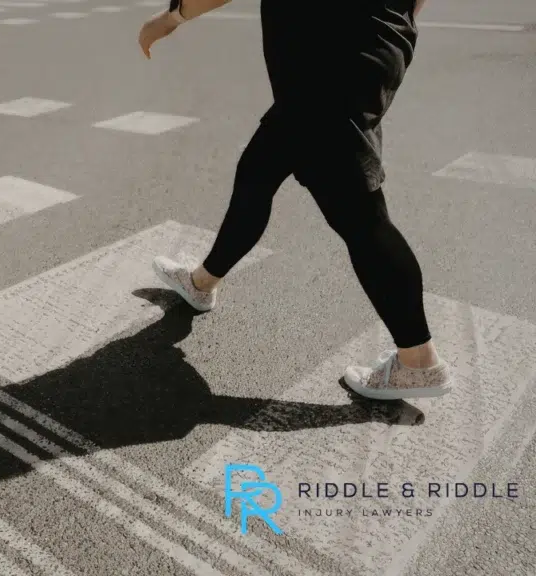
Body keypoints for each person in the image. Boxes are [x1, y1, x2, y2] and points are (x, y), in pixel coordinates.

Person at [137, 0, 453, 400]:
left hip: (329, 59)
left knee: (361, 217)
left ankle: (418, 360)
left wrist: (171, 17)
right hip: (360, 44)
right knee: (258, 171)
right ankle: (202, 282)